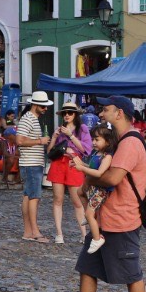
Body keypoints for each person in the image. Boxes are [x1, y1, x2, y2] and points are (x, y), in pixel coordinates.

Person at [62, 95, 146, 292]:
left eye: (107, 109)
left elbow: (112, 178)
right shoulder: (120, 141)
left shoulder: (130, 143)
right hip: (104, 219)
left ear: (120, 113)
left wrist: (87, 178)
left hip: (122, 219)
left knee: (132, 275)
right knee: (88, 267)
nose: (102, 113)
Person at [47, 99, 92, 244]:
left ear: (75, 115)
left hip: (74, 164)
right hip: (58, 164)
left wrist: (71, 136)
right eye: (64, 113)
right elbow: (50, 152)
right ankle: (59, 234)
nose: (67, 115)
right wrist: (54, 138)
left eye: (70, 113)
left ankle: (84, 234)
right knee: (57, 199)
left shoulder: (82, 128)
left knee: (77, 201)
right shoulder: (60, 129)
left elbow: (86, 149)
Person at [74, 124, 118, 253]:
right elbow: (91, 167)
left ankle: (97, 238)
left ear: (107, 141)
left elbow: (99, 173)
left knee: (89, 213)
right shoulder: (96, 153)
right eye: (93, 139)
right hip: (92, 186)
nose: (93, 142)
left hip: (100, 190)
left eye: (97, 139)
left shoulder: (107, 156)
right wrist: (80, 163)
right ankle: (89, 218)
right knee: (79, 191)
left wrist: (82, 168)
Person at [16, 90, 52, 241]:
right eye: (43, 107)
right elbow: (20, 141)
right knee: (34, 197)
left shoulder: (31, 118)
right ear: (35, 105)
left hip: (31, 163)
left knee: (28, 196)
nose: (45, 109)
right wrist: (40, 141)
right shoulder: (28, 119)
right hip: (30, 164)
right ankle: (35, 232)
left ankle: (28, 232)